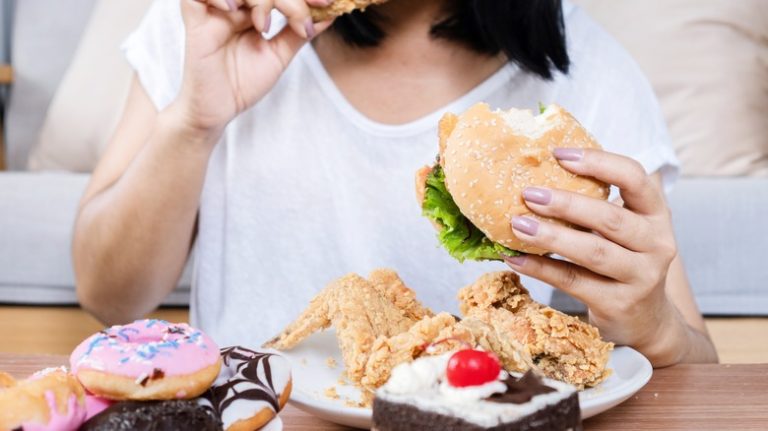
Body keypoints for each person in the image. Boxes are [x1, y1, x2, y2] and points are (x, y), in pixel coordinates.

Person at [72, 0, 718, 366]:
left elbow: (696, 367)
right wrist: (193, 121)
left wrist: (653, 323)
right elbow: (108, 294)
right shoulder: (204, 25)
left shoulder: (592, 75)